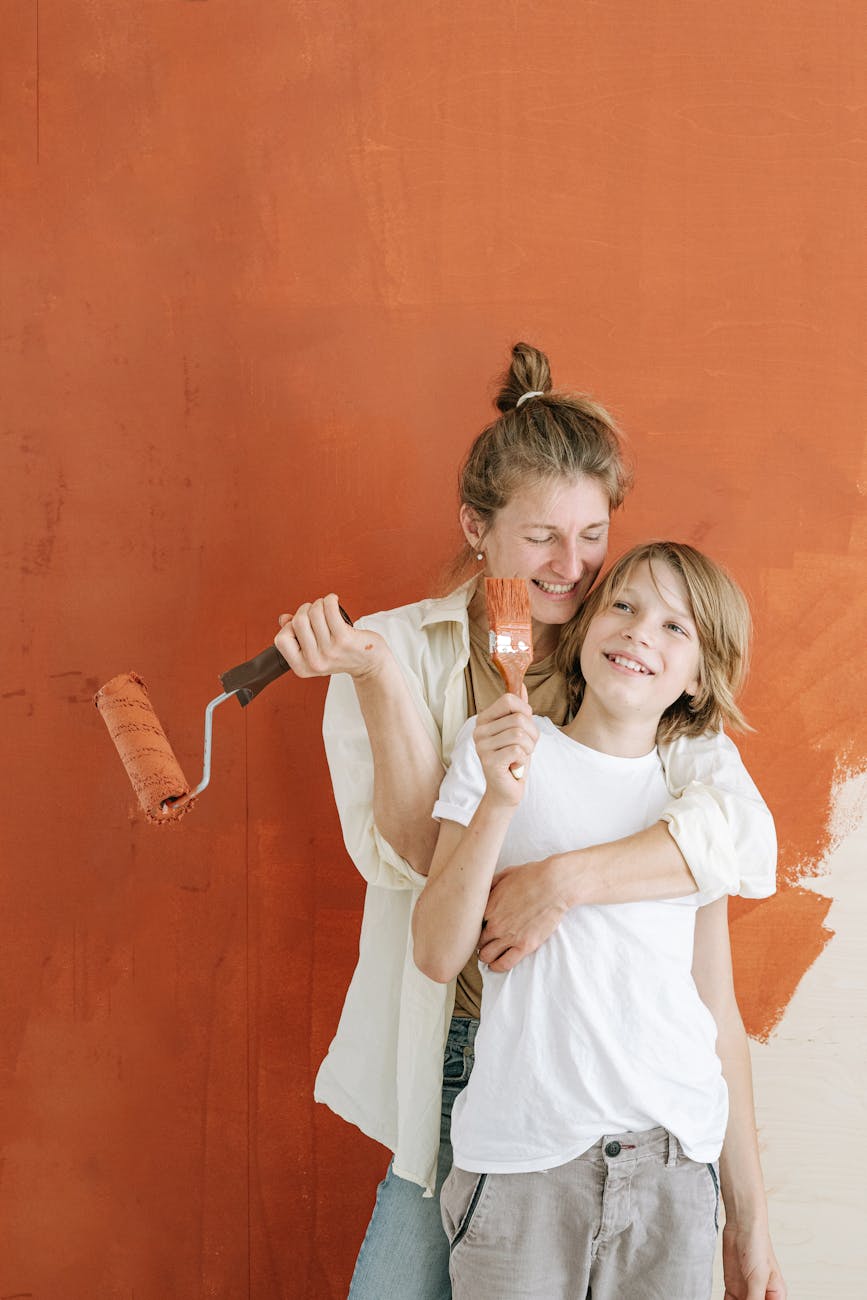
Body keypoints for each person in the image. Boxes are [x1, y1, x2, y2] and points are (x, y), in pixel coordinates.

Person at [274, 345, 776, 1299]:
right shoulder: (393, 653)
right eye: (543, 535)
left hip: (623, 1087)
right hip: (461, 1038)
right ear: (477, 525)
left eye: (593, 536)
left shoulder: (641, 693)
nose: (575, 567)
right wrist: (379, 680)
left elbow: (740, 848)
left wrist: (564, 879)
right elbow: (426, 870)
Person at [413, 542, 787, 1300]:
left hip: (674, 1174)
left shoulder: (691, 806)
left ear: (696, 681)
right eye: (622, 605)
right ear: (584, 626)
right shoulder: (498, 753)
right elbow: (435, 951)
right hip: (522, 1165)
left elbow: (716, 1011)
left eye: (674, 627)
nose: (639, 631)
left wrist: (750, 1223)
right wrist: (498, 802)